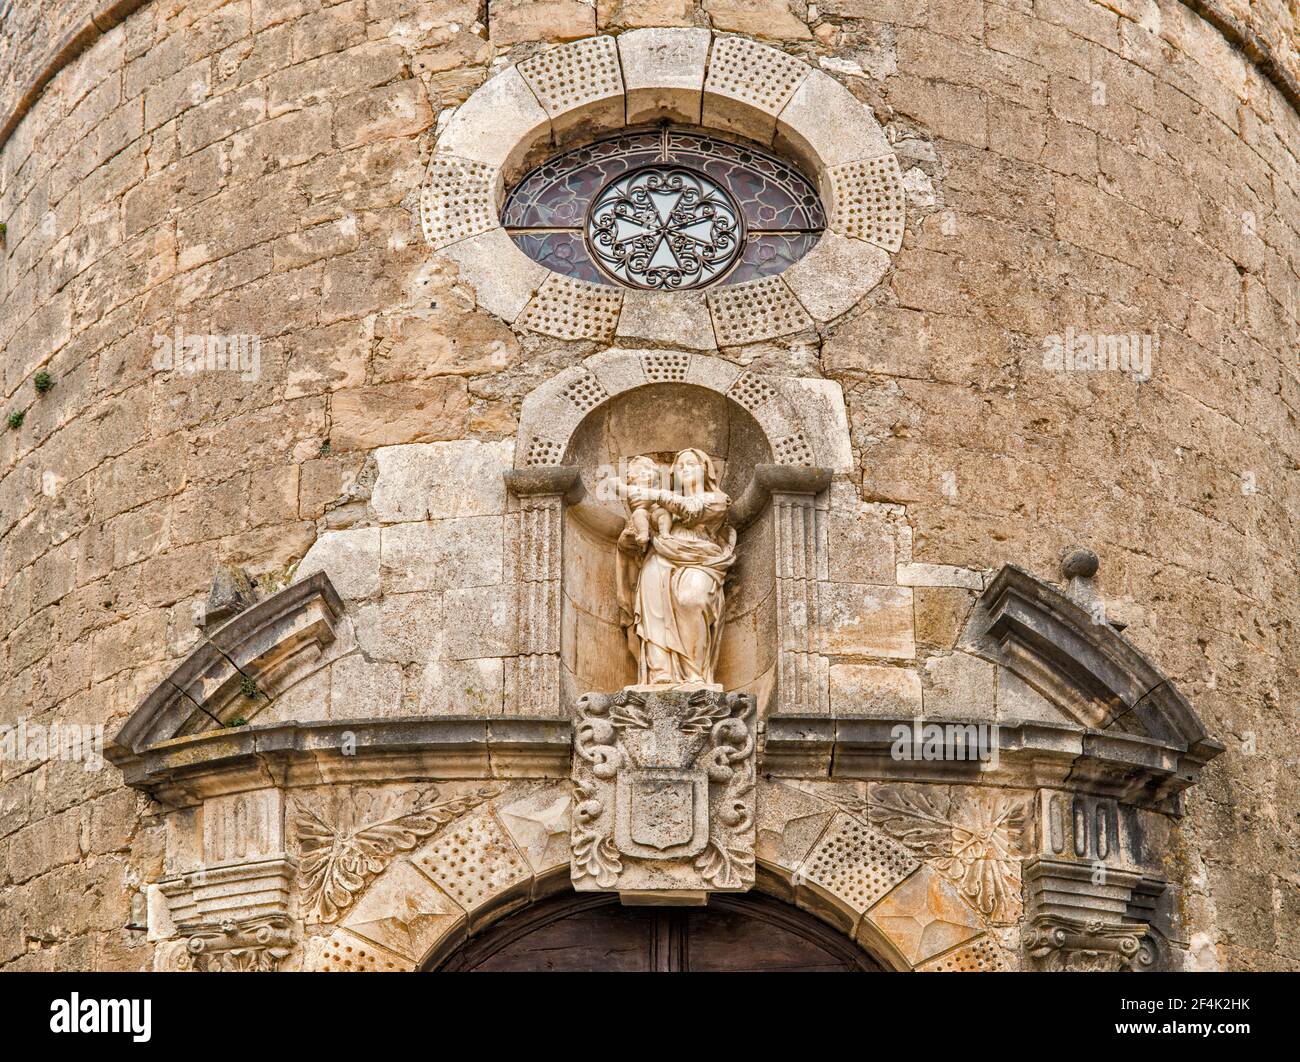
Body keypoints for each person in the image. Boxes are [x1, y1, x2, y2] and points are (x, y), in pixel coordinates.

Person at [610, 448, 737, 686]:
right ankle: (660, 673)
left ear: (705, 470)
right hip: (660, 556)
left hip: (701, 559)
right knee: (653, 611)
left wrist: (648, 492)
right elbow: (636, 537)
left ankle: (694, 675)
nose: (685, 469)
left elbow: (692, 510)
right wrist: (633, 537)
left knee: (693, 599)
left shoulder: (718, 500)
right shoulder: (663, 510)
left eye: (691, 464)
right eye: (679, 467)